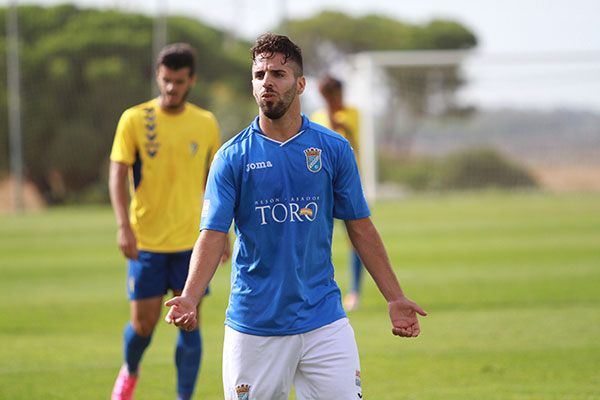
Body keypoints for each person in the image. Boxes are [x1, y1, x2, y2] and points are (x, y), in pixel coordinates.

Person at [164, 33, 426, 400]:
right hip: (255, 325)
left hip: (324, 321)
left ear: (300, 84)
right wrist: (190, 297)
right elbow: (211, 234)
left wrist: (394, 297)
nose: (266, 82)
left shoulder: (333, 149)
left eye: (278, 74)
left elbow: (360, 226)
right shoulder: (231, 157)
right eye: (259, 75)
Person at [109, 43, 228, 400]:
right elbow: (117, 174)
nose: (171, 88)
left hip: (192, 244)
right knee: (143, 326)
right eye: (166, 80)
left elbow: (215, 181)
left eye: (179, 81)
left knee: (189, 324)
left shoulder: (205, 123)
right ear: (158, 78)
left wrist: (223, 233)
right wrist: (122, 225)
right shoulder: (134, 119)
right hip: (146, 242)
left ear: (191, 80)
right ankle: (130, 371)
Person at [311, 75, 364, 311]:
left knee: (357, 239)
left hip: (349, 187)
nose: (334, 99)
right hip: (322, 188)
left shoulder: (352, 114)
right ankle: (316, 290)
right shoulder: (316, 118)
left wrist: (335, 118)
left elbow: (349, 139)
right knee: (317, 240)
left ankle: (354, 292)